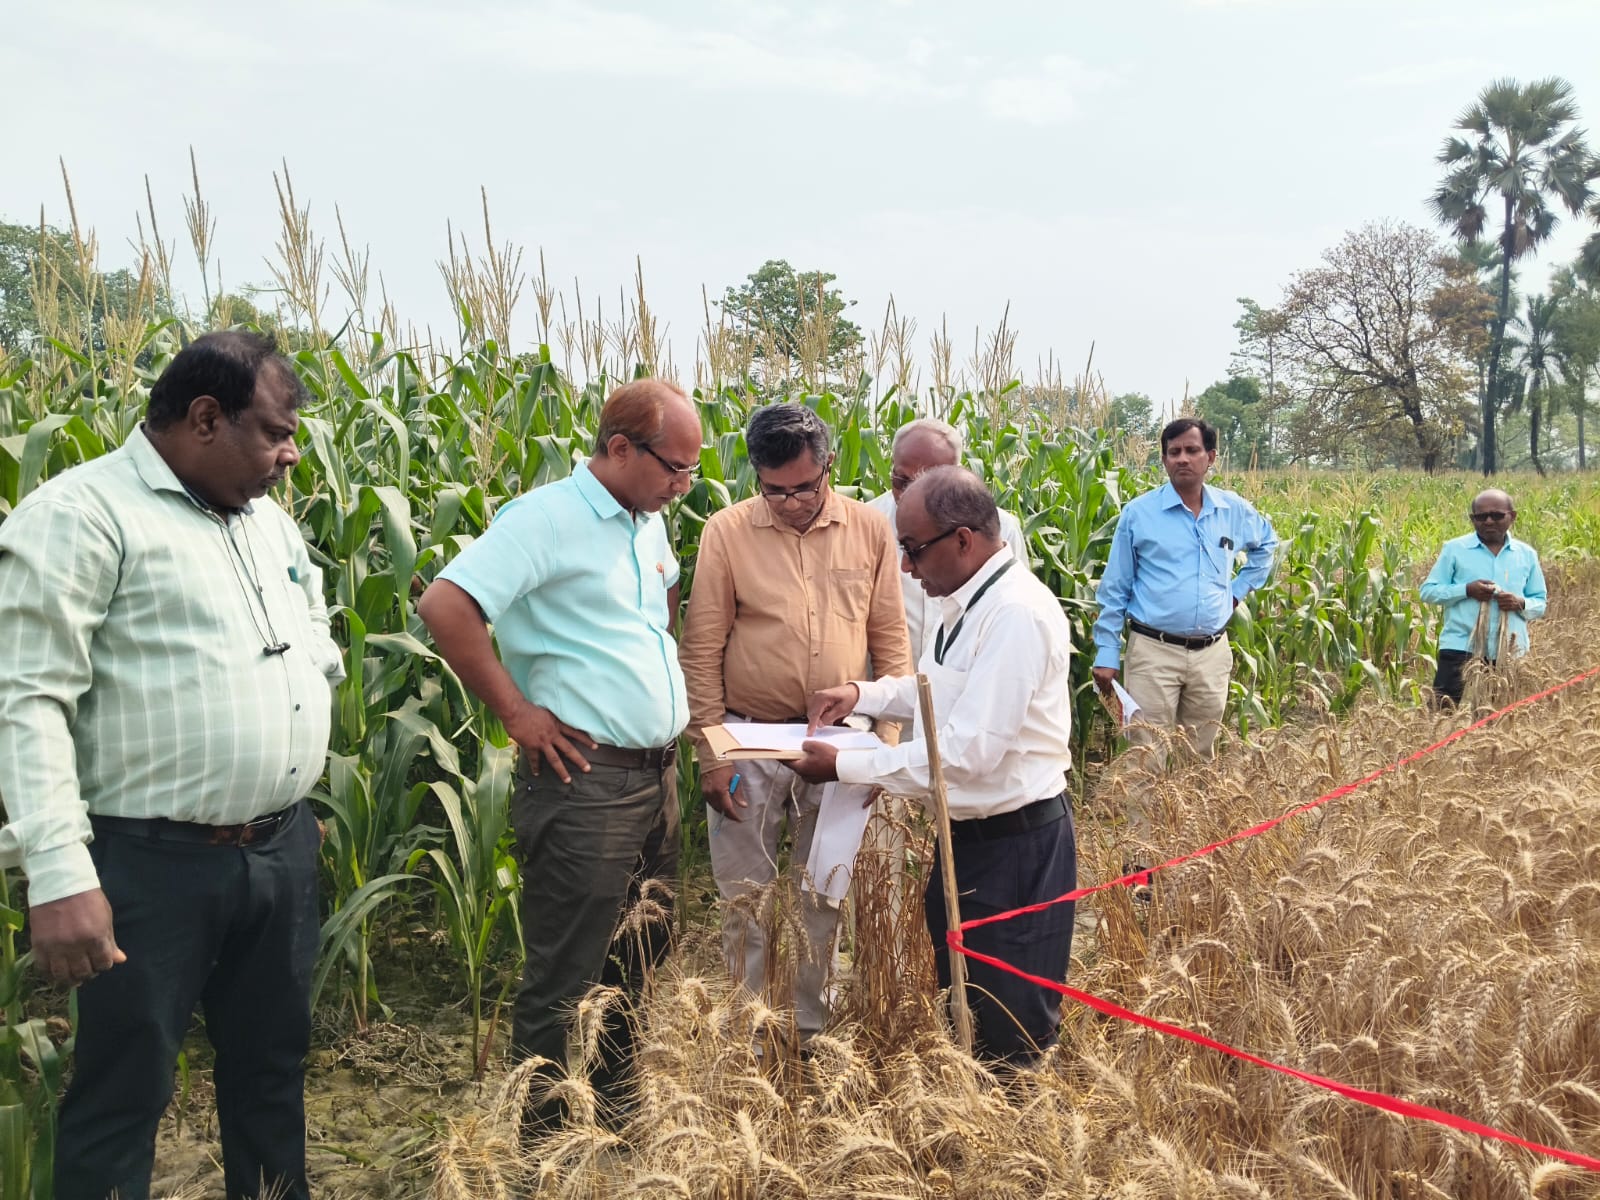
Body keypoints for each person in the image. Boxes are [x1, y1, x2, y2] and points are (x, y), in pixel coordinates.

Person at [0, 331, 344, 1200]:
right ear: (203, 419)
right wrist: (58, 872)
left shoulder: (265, 519)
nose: (291, 454)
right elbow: (28, 700)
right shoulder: (82, 516)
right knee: (125, 1091)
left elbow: (312, 618)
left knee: (272, 1073)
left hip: (278, 849)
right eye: (274, 432)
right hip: (146, 864)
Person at [417, 378, 699, 1119]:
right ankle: (540, 1141)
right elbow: (445, 605)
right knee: (564, 972)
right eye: (675, 468)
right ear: (618, 448)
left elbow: (655, 606)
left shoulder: (647, 517)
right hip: (586, 780)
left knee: (639, 951)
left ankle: (611, 1108)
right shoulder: (545, 519)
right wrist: (516, 711)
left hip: (654, 774)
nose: (685, 485)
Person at [786, 466, 1076, 1063]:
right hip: (968, 840)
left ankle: (1015, 1143)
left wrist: (847, 767)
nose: (905, 567)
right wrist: (861, 695)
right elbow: (936, 689)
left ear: (964, 539)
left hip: (1015, 849)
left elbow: (968, 754)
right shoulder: (965, 600)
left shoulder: (1016, 614)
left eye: (914, 549)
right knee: (965, 1006)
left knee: (1007, 1025)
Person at [679, 402, 911, 1039]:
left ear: (829, 467)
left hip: (840, 743)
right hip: (746, 738)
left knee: (823, 891)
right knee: (746, 896)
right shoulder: (726, 531)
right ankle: (748, 1032)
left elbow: (891, 640)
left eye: (804, 488)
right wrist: (712, 753)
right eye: (773, 491)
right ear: (756, 474)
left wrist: (882, 750)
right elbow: (701, 647)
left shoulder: (869, 529)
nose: (789, 502)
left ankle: (810, 1029)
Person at [1090, 417, 1277, 771]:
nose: (1182, 459)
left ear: (1211, 457)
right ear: (1164, 460)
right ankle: (1145, 829)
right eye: (1173, 452)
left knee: (1200, 758)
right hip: (1152, 653)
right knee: (1145, 759)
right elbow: (1115, 588)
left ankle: (1192, 826)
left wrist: (1236, 592)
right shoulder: (1139, 515)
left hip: (1211, 654)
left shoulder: (1232, 510)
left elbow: (1267, 545)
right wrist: (1106, 651)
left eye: (1192, 450)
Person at [866, 417, 1029, 656]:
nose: (911, 494)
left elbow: (1013, 607)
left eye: (927, 483)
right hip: (889, 684)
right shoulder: (868, 522)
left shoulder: (1001, 528)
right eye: (901, 481)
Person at [1419, 488, 1547, 706]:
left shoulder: (1526, 555)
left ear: (1512, 516)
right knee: (1443, 713)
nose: (1488, 521)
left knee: (1500, 718)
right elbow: (1428, 591)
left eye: (1497, 515)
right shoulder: (1454, 549)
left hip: (1508, 651)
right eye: (1481, 516)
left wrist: (1519, 603)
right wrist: (1467, 590)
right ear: (1472, 519)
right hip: (1460, 648)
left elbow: (1540, 603)